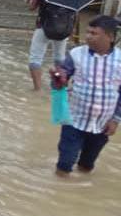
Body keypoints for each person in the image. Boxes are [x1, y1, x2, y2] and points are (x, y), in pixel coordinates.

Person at [50, 16, 121, 176]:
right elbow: (61, 79)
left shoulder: (119, 60)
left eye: (94, 33)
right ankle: (61, 188)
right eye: (87, 32)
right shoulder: (76, 54)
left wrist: (116, 119)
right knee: (65, 162)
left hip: (102, 124)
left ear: (109, 37)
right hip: (74, 120)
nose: (87, 36)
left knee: (87, 165)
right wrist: (57, 78)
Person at [27, 0, 71, 90]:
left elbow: (32, 7)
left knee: (35, 59)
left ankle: (37, 90)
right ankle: (58, 87)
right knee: (59, 58)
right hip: (63, 28)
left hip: (44, 26)